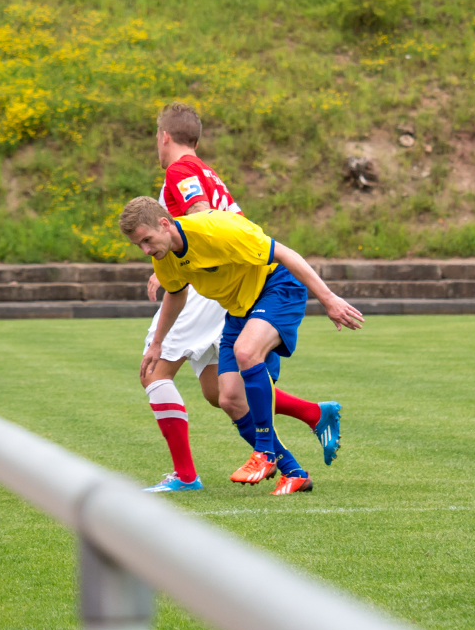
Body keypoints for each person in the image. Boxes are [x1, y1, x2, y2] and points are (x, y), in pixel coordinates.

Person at [139, 102, 341, 493]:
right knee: (222, 393)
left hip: (211, 281)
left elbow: (200, 218)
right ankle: (311, 419)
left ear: (164, 136)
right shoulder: (204, 169)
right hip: (225, 279)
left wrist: (169, 267)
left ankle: (186, 475)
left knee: (153, 372)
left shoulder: (180, 170)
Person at [120, 197, 364, 495]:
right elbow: (175, 293)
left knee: (246, 352)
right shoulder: (165, 256)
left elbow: (286, 254)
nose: (146, 250)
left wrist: (328, 299)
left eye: (147, 240)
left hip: (277, 286)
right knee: (229, 399)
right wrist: (156, 343)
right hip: (238, 309)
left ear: (165, 223)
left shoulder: (216, 230)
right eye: (138, 245)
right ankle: (296, 472)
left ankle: (264, 453)